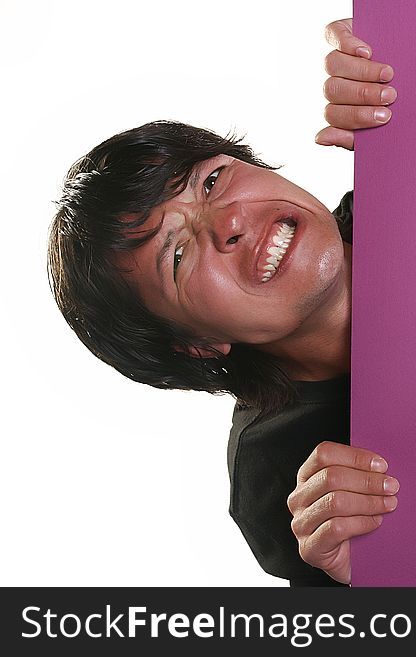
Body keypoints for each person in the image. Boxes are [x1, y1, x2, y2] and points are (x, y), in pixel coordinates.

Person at [48, 19, 395, 586]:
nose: (230, 222)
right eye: (178, 256)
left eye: (210, 182)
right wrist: (371, 586)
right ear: (196, 343)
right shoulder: (276, 479)